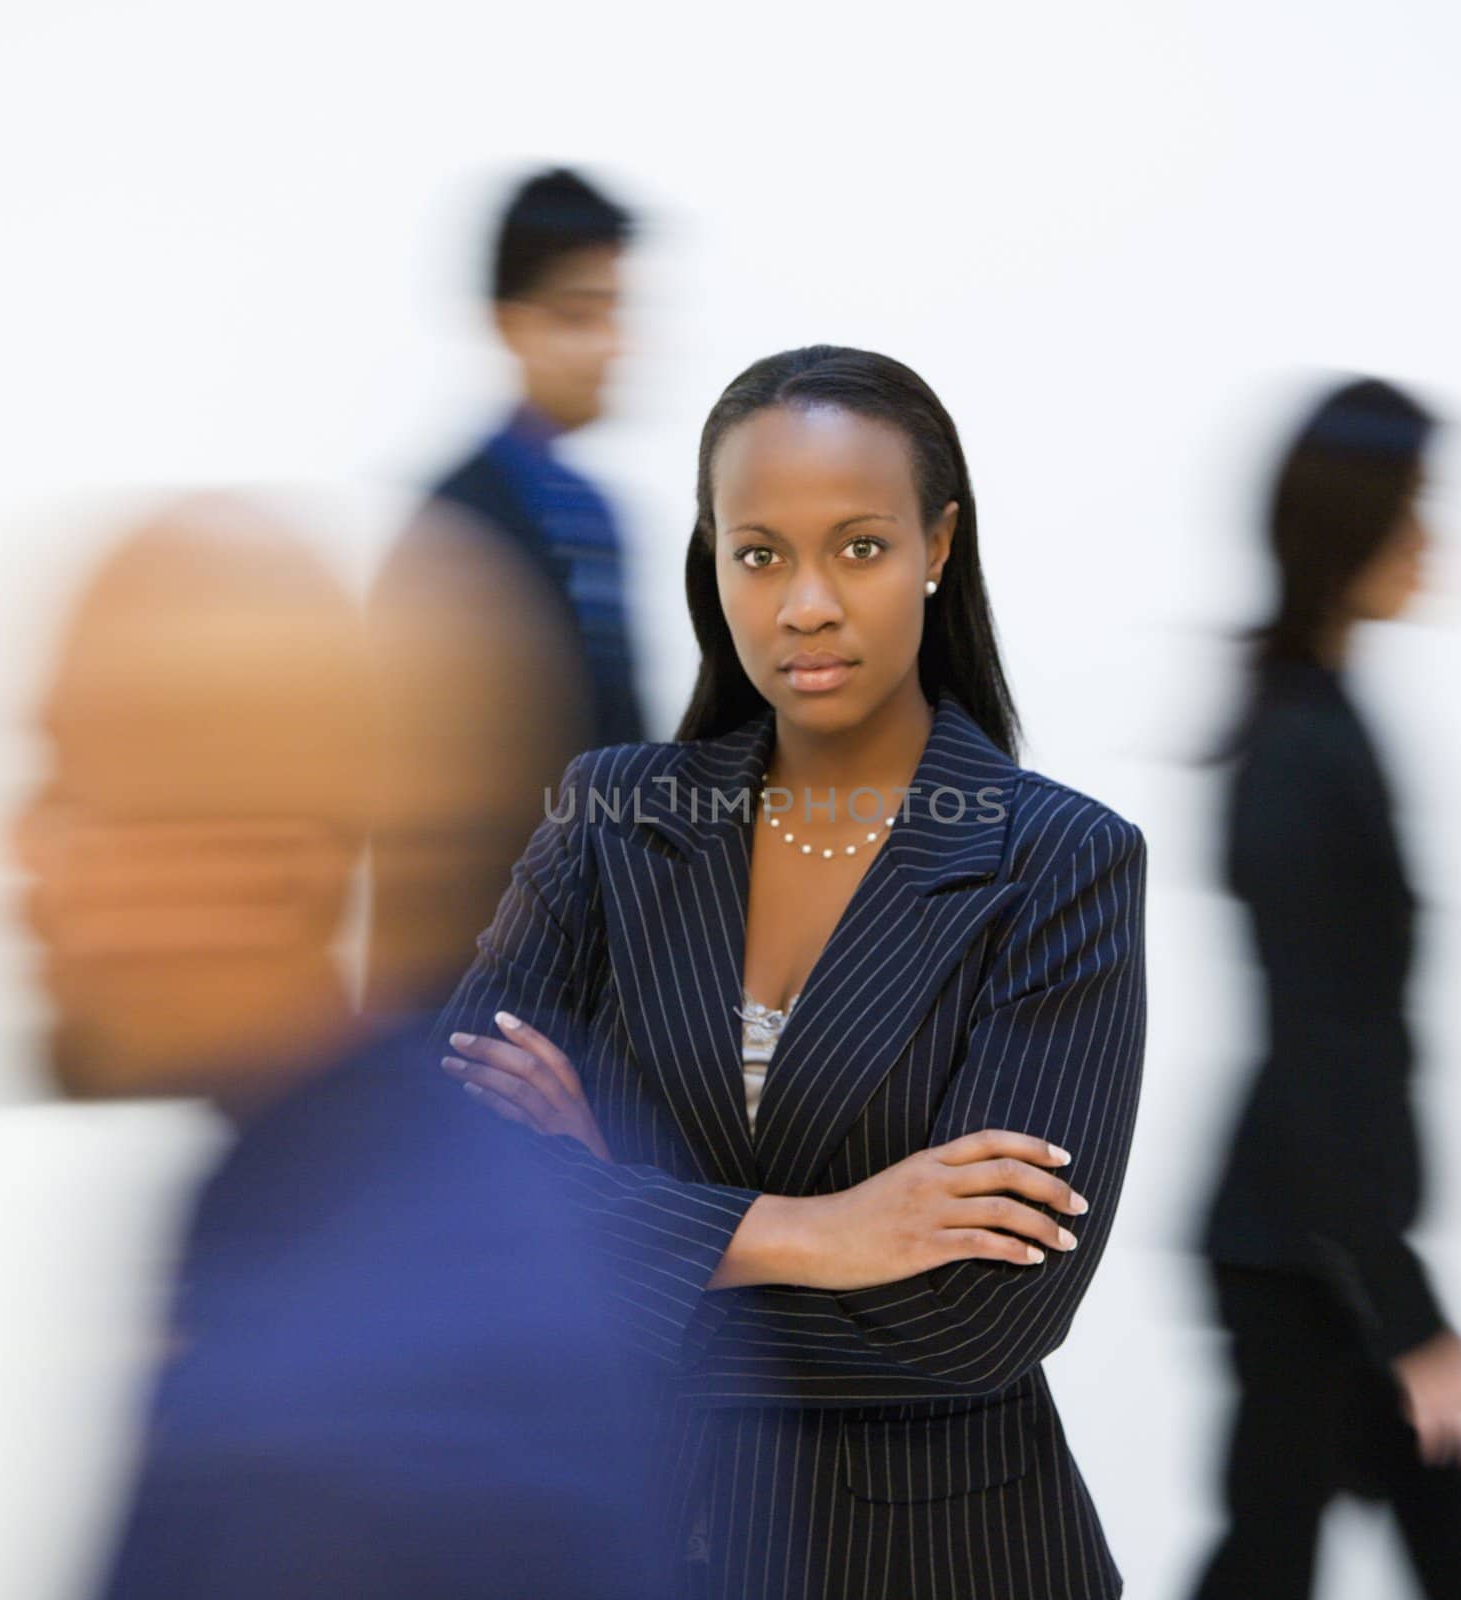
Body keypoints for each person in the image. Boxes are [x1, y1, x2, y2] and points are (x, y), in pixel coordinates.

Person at [438, 346, 1149, 1599]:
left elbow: (983, 1320)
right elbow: (446, 1182)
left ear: (938, 544)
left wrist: (609, 1228)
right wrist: (815, 1232)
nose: (803, 603)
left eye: (859, 548)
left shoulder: (1060, 861)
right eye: (758, 552)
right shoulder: (613, 818)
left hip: (941, 1560)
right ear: (711, 565)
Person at [16, 501, 667, 1599]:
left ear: (263, 864)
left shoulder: (341, 1442)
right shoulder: (391, 1193)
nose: (25, 874)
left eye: (76, 797)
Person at [1189, 379, 1461, 1599]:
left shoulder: (1315, 719)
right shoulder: (1300, 747)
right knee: (1278, 1559)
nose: (1431, 538)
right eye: (1412, 507)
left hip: (1319, 1237)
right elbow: (1323, 1042)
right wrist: (1404, 1307)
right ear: (1352, 525)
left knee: (1440, 1547)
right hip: (1304, 1248)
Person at [365, 165, 649, 1009]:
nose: (609, 344)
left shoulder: (590, 515)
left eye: (616, 313)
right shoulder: (454, 527)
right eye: (577, 315)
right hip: (482, 996)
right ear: (508, 324)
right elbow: (425, 814)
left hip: (594, 989)